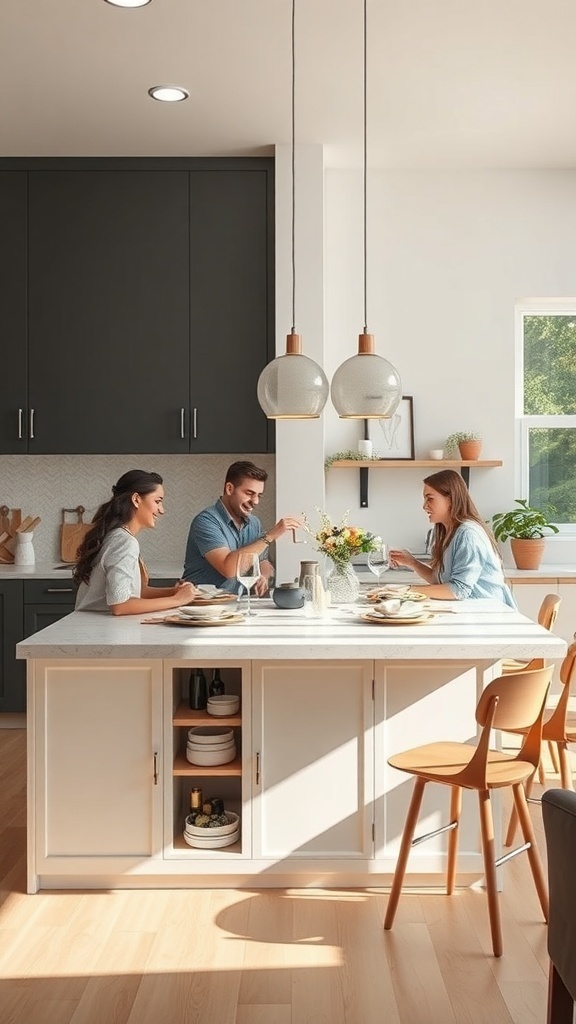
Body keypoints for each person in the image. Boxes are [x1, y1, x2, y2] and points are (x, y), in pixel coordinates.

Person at [74, 470, 198, 615]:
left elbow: (135, 592)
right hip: (94, 630)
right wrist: (178, 600)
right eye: (157, 501)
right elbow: (120, 606)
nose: (162, 510)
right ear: (136, 499)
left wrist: (174, 592)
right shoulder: (124, 542)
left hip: (98, 627)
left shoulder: (119, 536)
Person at [389, 469, 516, 606]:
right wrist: (412, 563)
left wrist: (406, 591)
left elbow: (458, 589)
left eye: (430, 498)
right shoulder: (449, 532)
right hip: (471, 612)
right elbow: (440, 581)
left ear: (451, 499)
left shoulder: (468, 534)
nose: (424, 506)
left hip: (489, 616)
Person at [182, 460, 302, 594]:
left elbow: (263, 562)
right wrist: (270, 536)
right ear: (229, 488)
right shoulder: (206, 521)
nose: (255, 501)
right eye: (249, 493)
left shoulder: (254, 523)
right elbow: (228, 568)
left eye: (259, 495)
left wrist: (263, 576)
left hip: (238, 605)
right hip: (204, 607)